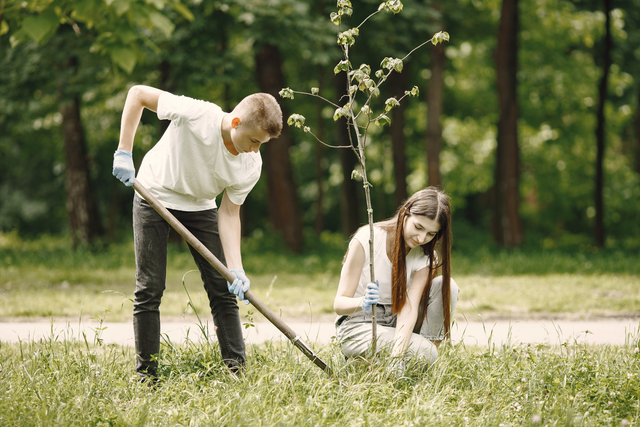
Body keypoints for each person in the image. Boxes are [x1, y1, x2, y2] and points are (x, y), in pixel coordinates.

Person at [112, 85, 283, 380]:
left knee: (222, 289)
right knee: (150, 288)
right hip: (154, 194)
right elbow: (137, 94)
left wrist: (236, 268)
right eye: (254, 140)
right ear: (235, 123)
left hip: (200, 205)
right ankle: (147, 377)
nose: (256, 149)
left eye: (262, 144)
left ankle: (235, 371)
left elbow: (229, 213)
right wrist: (124, 151)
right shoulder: (196, 114)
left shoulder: (251, 163)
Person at [333, 187, 460, 370]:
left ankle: (415, 359)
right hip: (359, 323)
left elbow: (408, 308)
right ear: (405, 213)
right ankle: (405, 359)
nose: (421, 238)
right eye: (418, 227)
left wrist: (397, 356)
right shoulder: (367, 239)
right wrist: (363, 302)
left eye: (431, 234)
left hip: (396, 319)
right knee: (424, 353)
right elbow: (339, 304)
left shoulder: (426, 256)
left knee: (446, 286)